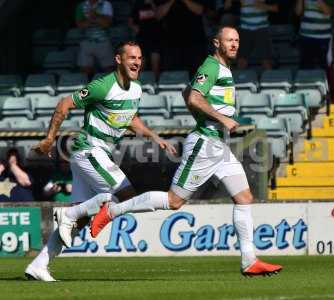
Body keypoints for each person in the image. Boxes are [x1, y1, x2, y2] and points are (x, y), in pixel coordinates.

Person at [81, 26, 283, 276]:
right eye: (229, 40)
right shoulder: (211, 66)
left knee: (244, 198)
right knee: (174, 201)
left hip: (219, 145)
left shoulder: (222, 69)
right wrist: (222, 118)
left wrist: (213, 119)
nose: (234, 44)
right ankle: (112, 210)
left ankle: (249, 260)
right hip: (206, 144)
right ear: (216, 43)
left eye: (237, 40)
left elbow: (187, 92)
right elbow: (194, 98)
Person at [24, 41, 176, 282]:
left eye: (139, 57)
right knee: (124, 195)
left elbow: (130, 118)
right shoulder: (103, 86)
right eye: (131, 57)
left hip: (98, 153)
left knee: (81, 220)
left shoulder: (136, 88)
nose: (137, 62)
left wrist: (154, 136)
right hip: (89, 149)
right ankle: (69, 213)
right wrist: (49, 139)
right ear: (118, 59)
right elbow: (64, 104)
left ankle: (38, 265)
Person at [295, 0, 334, 100]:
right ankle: (306, 94)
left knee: (324, 66)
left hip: (323, 37)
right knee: (305, 66)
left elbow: (328, 11)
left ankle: (328, 95)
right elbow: (297, 12)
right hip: (306, 35)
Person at [234, 0, 279, 70]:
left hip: (262, 28)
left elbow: (276, 8)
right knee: (241, 61)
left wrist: (263, 6)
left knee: (266, 61)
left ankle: (269, 79)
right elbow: (228, 6)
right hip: (244, 28)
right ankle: (240, 78)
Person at [75, 0, 115, 77]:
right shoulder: (80, 6)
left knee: (109, 69)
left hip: (103, 41)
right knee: (85, 71)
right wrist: (97, 18)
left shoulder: (106, 4)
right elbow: (80, 25)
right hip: (86, 41)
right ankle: (87, 88)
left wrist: (93, 16)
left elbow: (106, 24)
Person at [128, 0, 162, 79]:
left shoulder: (157, 3)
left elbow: (160, 15)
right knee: (140, 64)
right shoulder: (138, 4)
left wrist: (152, 4)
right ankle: (138, 84)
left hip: (155, 37)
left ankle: (156, 83)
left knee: (155, 63)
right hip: (142, 38)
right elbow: (130, 20)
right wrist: (135, 29)